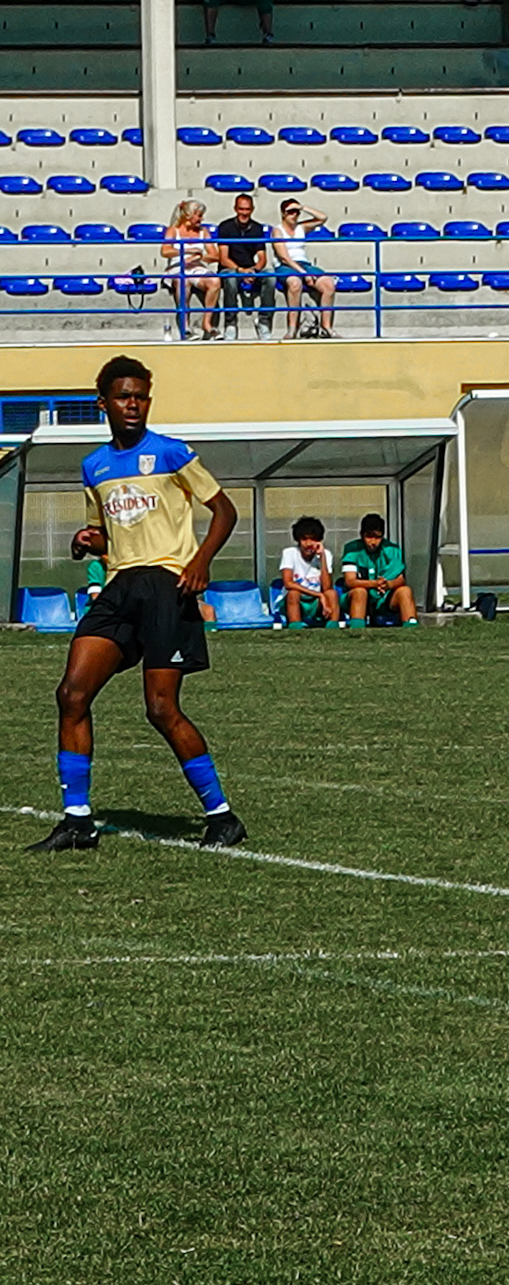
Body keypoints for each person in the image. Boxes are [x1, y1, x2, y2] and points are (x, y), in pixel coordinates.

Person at [26, 356, 246, 852]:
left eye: (141, 396)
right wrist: (88, 541)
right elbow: (109, 537)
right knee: (71, 695)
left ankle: (222, 816)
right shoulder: (94, 466)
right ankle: (77, 821)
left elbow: (225, 510)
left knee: (161, 708)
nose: (134, 405)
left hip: (169, 587)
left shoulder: (172, 453)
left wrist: (201, 561)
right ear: (102, 402)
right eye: (124, 396)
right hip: (121, 587)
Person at [338, 513, 419, 627]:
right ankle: (357, 629)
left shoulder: (392, 550)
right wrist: (374, 584)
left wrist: (389, 585)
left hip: (384, 597)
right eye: (369, 536)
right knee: (359, 592)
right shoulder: (352, 550)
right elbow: (350, 581)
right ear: (361, 535)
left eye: (377, 537)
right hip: (358, 598)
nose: (373, 542)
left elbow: (400, 579)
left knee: (405, 591)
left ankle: (411, 627)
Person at [272, 199, 336, 339]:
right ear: (283, 214)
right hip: (286, 266)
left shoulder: (301, 228)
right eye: (290, 212)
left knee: (328, 284)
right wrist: (304, 273)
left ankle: (326, 327)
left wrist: (303, 207)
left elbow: (323, 218)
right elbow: (284, 258)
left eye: (296, 212)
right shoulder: (277, 230)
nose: (294, 215)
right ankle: (292, 328)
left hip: (304, 263)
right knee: (295, 284)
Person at [214, 192, 274, 339]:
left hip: (250, 269)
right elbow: (223, 258)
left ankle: (264, 321)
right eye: (241, 209)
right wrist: (241, 271)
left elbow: (262, 257)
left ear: (252, 210)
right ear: (235, 209)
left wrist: (254, 271)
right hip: (231, 269)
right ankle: (230, 323)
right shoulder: (225, 227)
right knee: (231, 279)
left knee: (271, 277)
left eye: (247, 209)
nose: (244, 213)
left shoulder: (257, 228)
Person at [161, 200, 220, 341]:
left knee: (215, 281)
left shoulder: (203, 232)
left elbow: (215, 255)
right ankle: (185, 326)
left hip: (197, 267)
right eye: (199, 215)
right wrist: (184, 251)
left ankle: (207, 323)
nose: (202, 219)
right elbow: (165, 250)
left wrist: (201, 256)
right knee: (183, 281)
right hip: (177, 267)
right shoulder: (173, 231)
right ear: (189, 215)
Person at [278, 515, 339, 627]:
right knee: (293, 594)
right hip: (296, 601)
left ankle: (333, 628)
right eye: (304, 539)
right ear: (298, 540)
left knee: (332, 594)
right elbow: (288, 583)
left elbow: (326, 587)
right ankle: (296, 629)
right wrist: (319, 594)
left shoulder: (326, 554)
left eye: (313, 539)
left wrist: (322, 558)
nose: (309, 544)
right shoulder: (289, 553)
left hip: (316, 602)